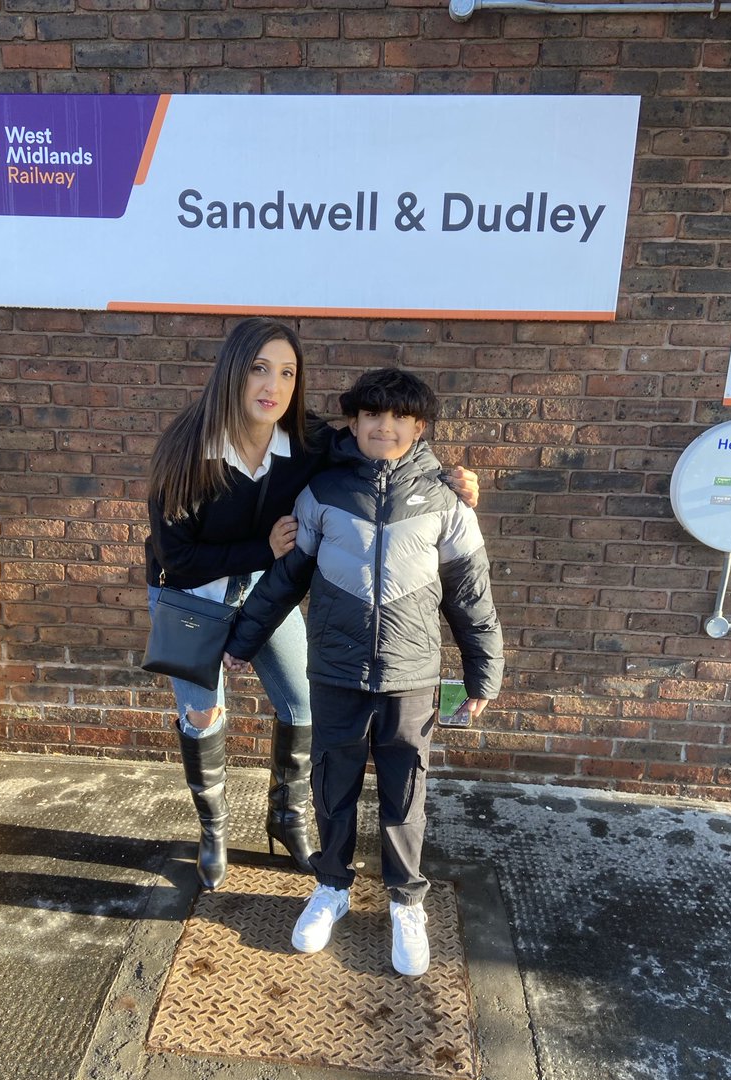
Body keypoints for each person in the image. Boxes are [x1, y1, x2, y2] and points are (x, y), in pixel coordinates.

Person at [146, 319, 481, 893]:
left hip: (262, 586)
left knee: (302, 704)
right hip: (188, 593)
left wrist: (446, 479)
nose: (272, 385)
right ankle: (214, 832)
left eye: (287, 372)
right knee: (203, 716)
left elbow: (379, 450)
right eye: (259, 368)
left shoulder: (307, 440)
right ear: (233, 370)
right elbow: (176, 554)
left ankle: (288, 818)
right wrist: (262, 547)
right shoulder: (186, 446)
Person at [224, 367, 503, 976]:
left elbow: (471, 595)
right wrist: (243, 640)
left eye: (400, 417)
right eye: (372, 415)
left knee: (406, 793)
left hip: (411, 677)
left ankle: (406, 902)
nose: (385, 426)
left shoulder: (446, 499)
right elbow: (285, 578)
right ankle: (332, 888)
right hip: (335, 673)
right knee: (334, 787)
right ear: (353, 422)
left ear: (418, 425)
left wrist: (484, 673)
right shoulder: (321, 494)